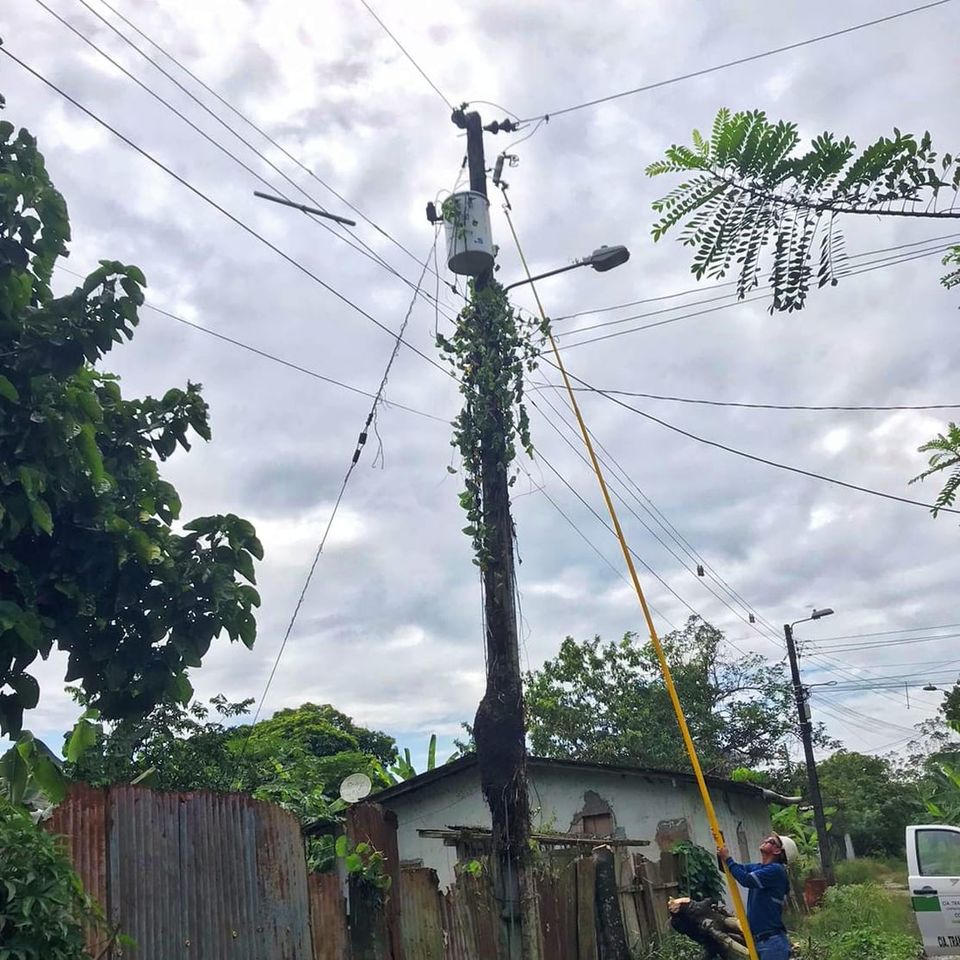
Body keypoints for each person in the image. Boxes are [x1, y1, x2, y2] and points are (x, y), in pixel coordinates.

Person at [718, 834, 791, 960]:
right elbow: (730, 869)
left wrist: (728, 859)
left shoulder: (776, 870)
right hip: (759, 941)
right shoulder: (758, 868)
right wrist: (721, 852)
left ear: (777, 851)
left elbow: (747, 880)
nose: (766, 840)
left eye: (771, 841)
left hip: (772, 944)